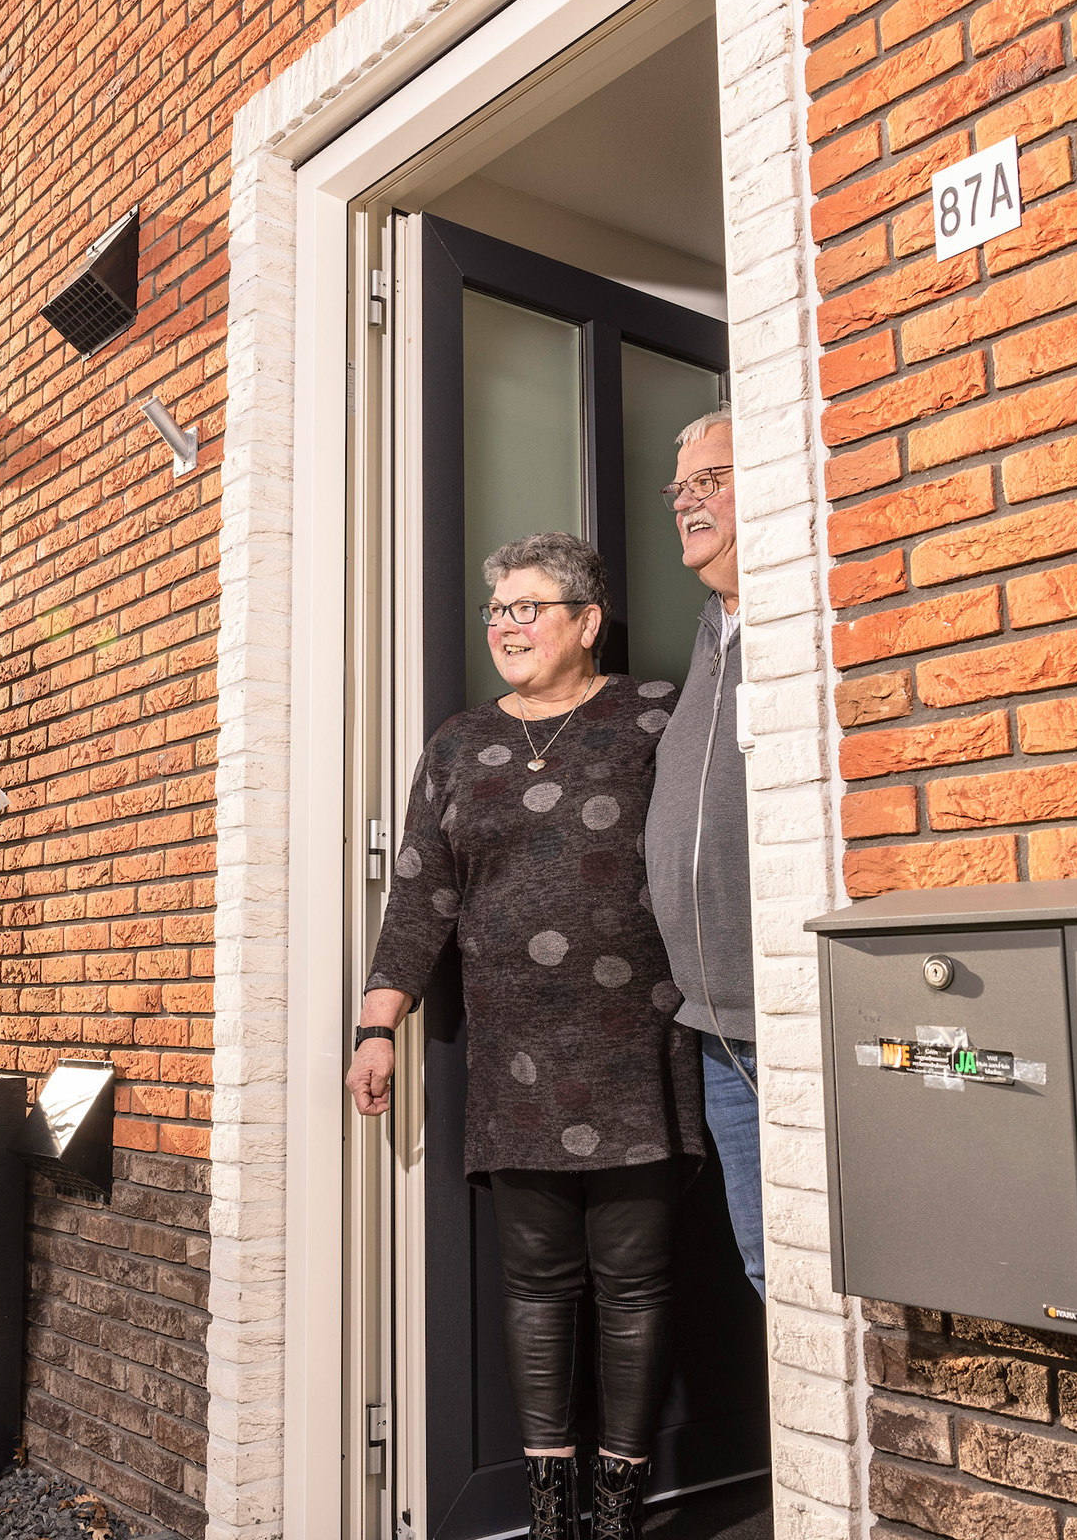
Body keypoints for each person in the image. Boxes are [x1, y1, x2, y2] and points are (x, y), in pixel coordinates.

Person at [346, 532, 702, 1540]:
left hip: (637, 1043)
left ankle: (618, 1514)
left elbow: (707, 847)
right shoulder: (458, 744)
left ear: (586, 622)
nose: (505, 623)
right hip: (514, 1056)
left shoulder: (653, 713)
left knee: (633, 1286)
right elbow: (419, 894)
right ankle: (553, 1521)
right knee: (537, 1286)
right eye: (496, 608)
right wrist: (378, 1023)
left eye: (528, 606)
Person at [644, 407, 764, 1301]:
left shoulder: (792, 616)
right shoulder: (709, 636)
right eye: (680, 488)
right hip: (719, 1030)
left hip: (784, 1020)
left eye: (710, 480)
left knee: (812, 1262)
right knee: (766, 1262)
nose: (689, 501)